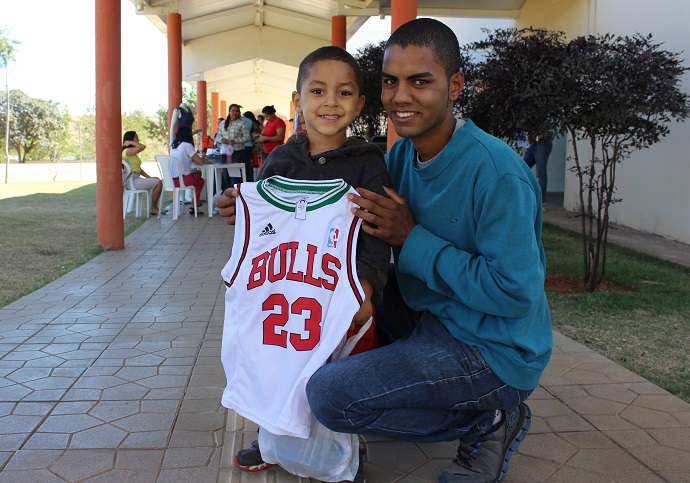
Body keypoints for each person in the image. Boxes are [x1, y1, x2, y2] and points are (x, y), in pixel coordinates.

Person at [219, 18, 552, 483]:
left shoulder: (498, 173)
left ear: (456, 85)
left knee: (333, 398)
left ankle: (488, 418)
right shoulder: (399, 158)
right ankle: (287, 421)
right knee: (322, 309)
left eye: (421, 81)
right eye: (391, 82)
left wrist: (412, 239)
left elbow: (515, 294)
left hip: (491, 346)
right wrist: (257, 214)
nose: (401, 96)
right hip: (428, 314)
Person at [217, 45, 391, 482]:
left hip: (338, 291)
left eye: (344, 92)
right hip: (286, 286)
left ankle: (343, 452)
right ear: (298, 101)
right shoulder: (280, 160)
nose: (330, 101)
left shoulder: (368, 164)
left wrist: (367, 288)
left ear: (359, 104)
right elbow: (263, 225)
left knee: (334, 373)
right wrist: (237, 209)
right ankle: (270, 433)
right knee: (275, 361)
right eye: (318, 90)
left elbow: (375, 234)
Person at [122, 131, 163, 215]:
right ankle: (154, 208)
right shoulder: (127, 151)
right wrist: (130, 142)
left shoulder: (132, 153)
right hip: (131, 181)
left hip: (135, 178)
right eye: (136, 138)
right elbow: (142, 147)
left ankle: (154, 207)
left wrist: (149, 177)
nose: (138, 140)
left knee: (157, 180)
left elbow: (138, 169)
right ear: (130, 140)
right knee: (159, 183)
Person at [170, 125, 206, 215]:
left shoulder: (173, 146)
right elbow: (200, 162)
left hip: (172, 181)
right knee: (200, 179)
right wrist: (204, 156)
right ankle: (194, 204)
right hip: (183, 180)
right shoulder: (187, 145)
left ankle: (195, 204)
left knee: (197, 176)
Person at [218, 103, 252, 186]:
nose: (234, 113)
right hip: (225, 152)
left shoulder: (242, 123)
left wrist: (235, 141)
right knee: (225, 174)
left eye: (237, 111)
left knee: (234, 176)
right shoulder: (223, 123)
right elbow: (218, 135)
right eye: (232, 111)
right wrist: (222, 139)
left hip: (237, 152)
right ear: (229, 112)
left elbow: (247, 137)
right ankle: (228, 193)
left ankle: (235, 194)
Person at [523, 130, 553, 202]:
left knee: (541, 172)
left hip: (543, 143)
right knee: (523, 168)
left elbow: (549, 130)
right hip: (533, 143)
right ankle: (523, 193)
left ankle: (541, 199)